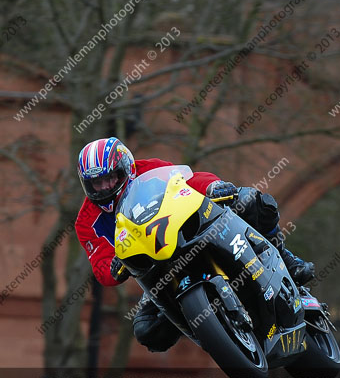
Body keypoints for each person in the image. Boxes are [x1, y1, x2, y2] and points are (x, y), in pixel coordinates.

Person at [74, 137, 314, 352]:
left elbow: (186, 181)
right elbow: (100, 264)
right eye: (96, 183)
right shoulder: (87, 222)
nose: (104, 187)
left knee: (252, 201)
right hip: (158, 269)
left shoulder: (149, 169)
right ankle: (206, 323)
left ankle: (286, 258)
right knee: (147, 331)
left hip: (189, 232)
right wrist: (112, 268)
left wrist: (212, 186)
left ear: (125, 168)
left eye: (110, 178)